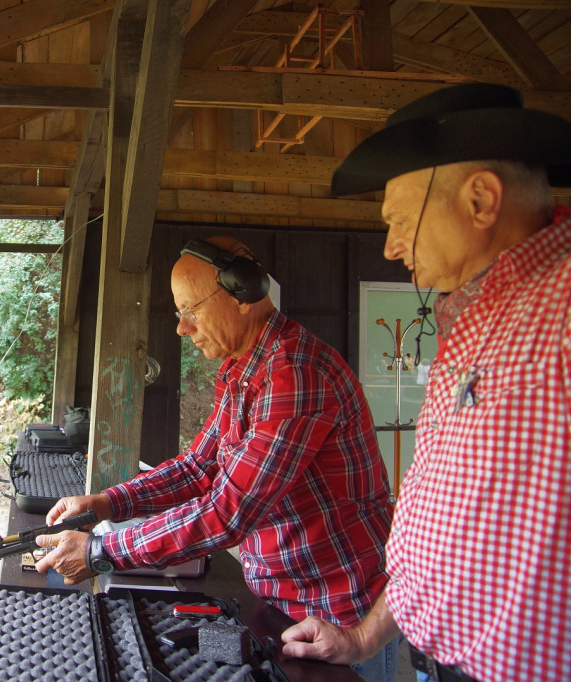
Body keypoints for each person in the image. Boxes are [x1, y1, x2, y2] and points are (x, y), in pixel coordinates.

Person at [280, 83, 571, 682]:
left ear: (482, 200)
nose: (390, 247)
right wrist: (362, 636)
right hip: (439, 665)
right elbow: (444, 528)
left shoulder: (563, 305)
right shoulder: (473, 319)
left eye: (399, 221)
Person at [35, 236, 398, 682]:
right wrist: (107, 503)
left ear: (243, 296)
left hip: (340, 616)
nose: (181, 328)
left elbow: (229, 511)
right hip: (282, 603)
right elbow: (198, 467)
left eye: (191, 311)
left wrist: (102, 550)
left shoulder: (295, 375)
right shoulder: (240, 370)